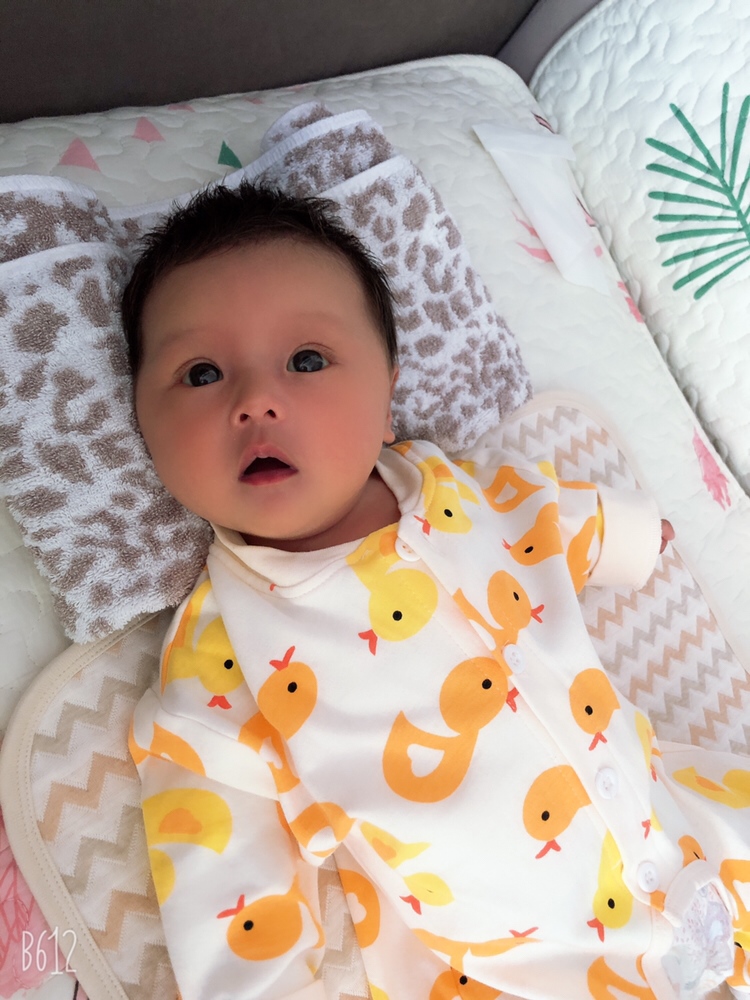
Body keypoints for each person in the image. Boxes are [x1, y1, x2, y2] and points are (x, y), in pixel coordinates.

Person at [124, 181, 749, 1000]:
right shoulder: (220, 660)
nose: (256, 401)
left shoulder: (451, 486)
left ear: (387, 398)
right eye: (201, 373)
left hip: (683, 822)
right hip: (520, 965)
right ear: (144, 430)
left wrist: (624, 535)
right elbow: (227, 890)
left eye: (307, 361)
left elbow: (538, 518)